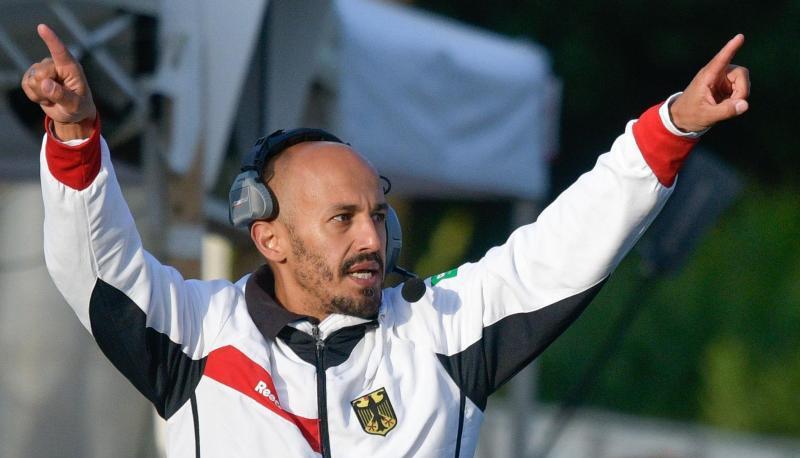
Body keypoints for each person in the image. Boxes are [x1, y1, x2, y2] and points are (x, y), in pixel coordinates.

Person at [24, 22, 749, 458]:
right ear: (269, 237)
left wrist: (672, 127)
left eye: (378, 213)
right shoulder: (195, 329)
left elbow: (564, 245)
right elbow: (95, 265)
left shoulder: (440, 328)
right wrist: (76, 136)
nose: (373, 236)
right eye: (342, 218)